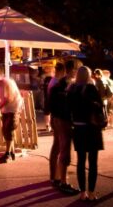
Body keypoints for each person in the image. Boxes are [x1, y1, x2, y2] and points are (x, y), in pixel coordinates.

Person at [68, 66, 104, 201]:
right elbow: (100, 106)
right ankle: (92, 192)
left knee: (81, 161)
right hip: (92, 129)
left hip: (78, 128)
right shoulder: (91, 89)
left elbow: (68, 109)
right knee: (93, 162)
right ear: (88, 76)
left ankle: (82, 193)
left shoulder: (72, 89)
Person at [50, 60, 79, 195]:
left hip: (57, 118)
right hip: (64, 120)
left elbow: (50, 103)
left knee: (61, 148)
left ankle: (57, 178)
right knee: (65, 150)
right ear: (73, 70)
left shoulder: (58, 84)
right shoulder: (69, 85)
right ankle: (63, 182)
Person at [0, 77, 24, 163]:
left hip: (13, 109)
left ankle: (8, 154)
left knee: (8, 129)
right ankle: (11, 153)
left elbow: (9, 98)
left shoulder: (7, 83)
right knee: (5, 130)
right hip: (6, 110)